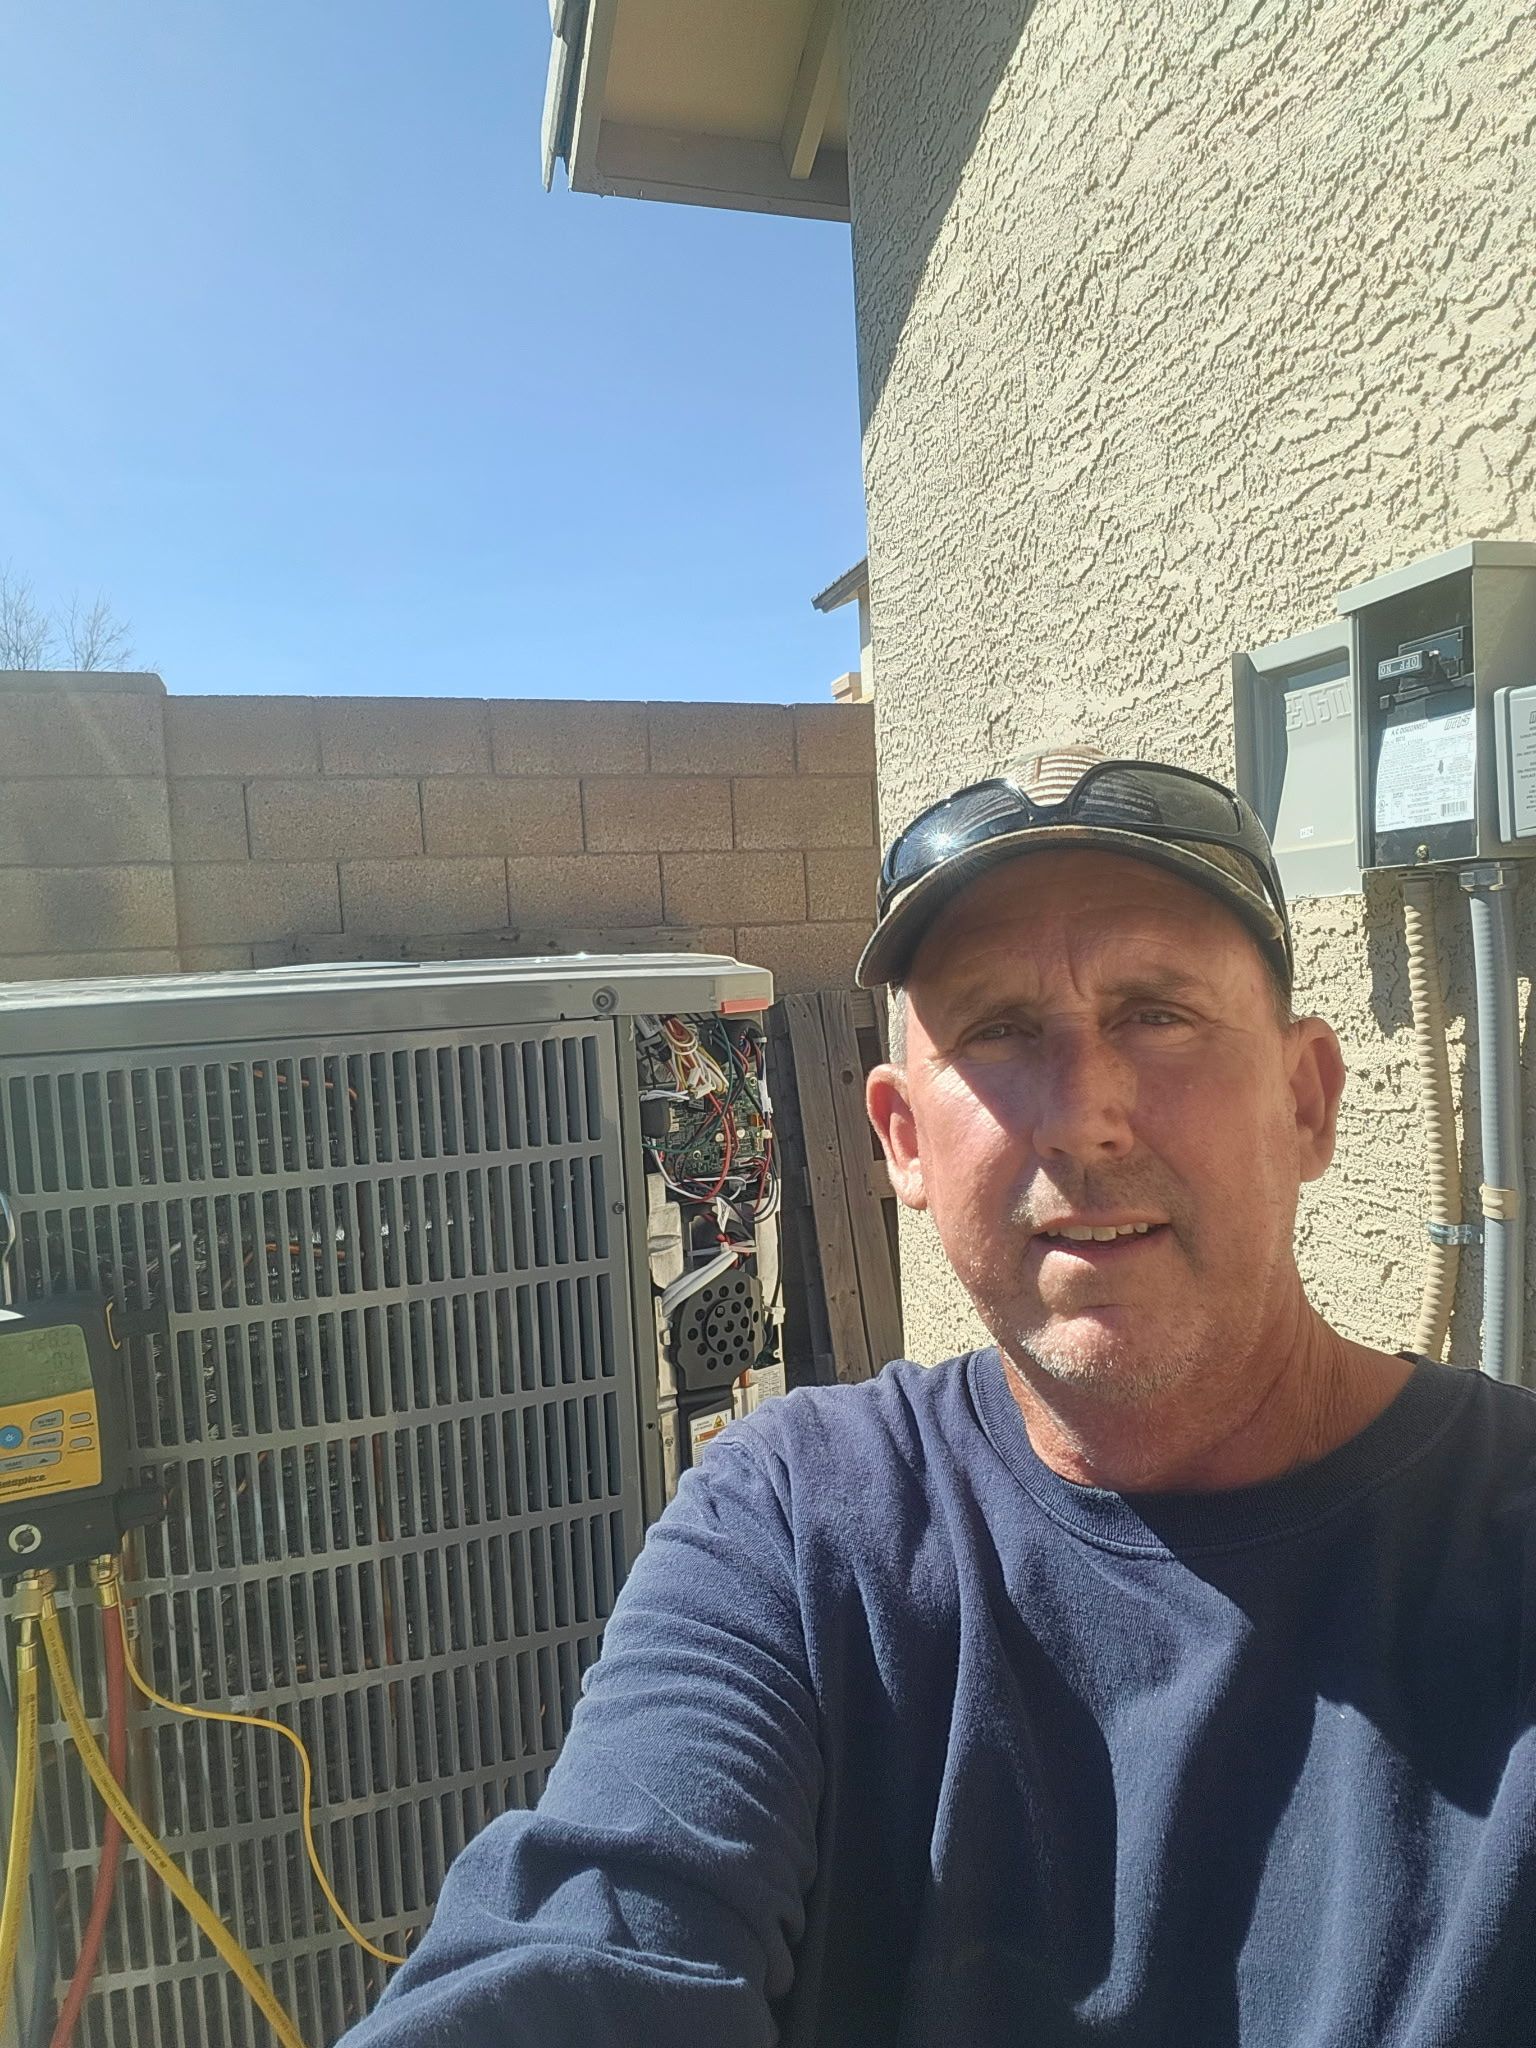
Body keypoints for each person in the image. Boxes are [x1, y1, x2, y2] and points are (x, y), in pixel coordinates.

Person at [339, 744, 1536, 2046]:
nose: (1083, 1115)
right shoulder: (800, 1525)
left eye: (1158, 1014)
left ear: (1307, 1103)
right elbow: (589, 1953)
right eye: (1000, 1031)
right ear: (904, 1141)